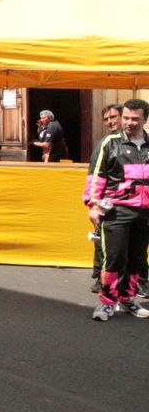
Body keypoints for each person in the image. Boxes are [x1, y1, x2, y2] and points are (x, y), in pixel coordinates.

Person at [84, 98, 149, 321]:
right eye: (126, 118)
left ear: (145, 120)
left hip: (144, 213)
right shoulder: (109, 143)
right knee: (114, 258)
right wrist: (93, 205)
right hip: (116, 211)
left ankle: (127, 298)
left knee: (137, 259)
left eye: (135, 119)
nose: (129, 123)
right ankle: (107, 302)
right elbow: (96, 177)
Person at [89, 104, 122, 293]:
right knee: (103, 241)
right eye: (106, 119)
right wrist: (94, 203)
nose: (110, 122)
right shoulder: (104, 143)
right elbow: (94, 174)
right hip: (107, 201)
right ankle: (99, 278)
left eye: (113, 117)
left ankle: (139, 280)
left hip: (132, 201)